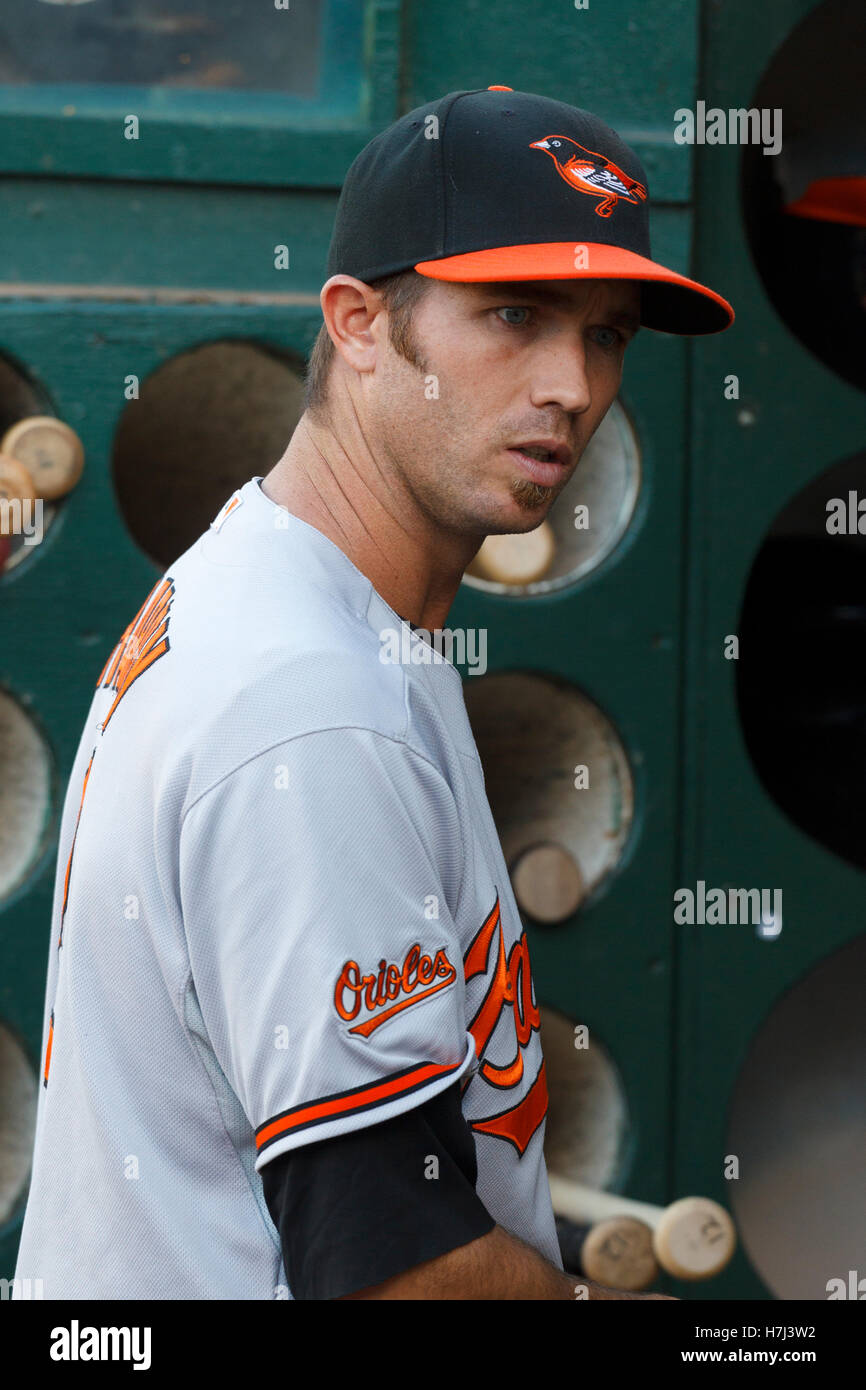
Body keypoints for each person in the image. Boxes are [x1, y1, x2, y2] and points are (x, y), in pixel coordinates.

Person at [14, 87, 732, 1302]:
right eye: (513, 312)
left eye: (604, 332)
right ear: (356, 321)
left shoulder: (288, 589)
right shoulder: (311, 701)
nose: (569, 381)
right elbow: (393, 1262)